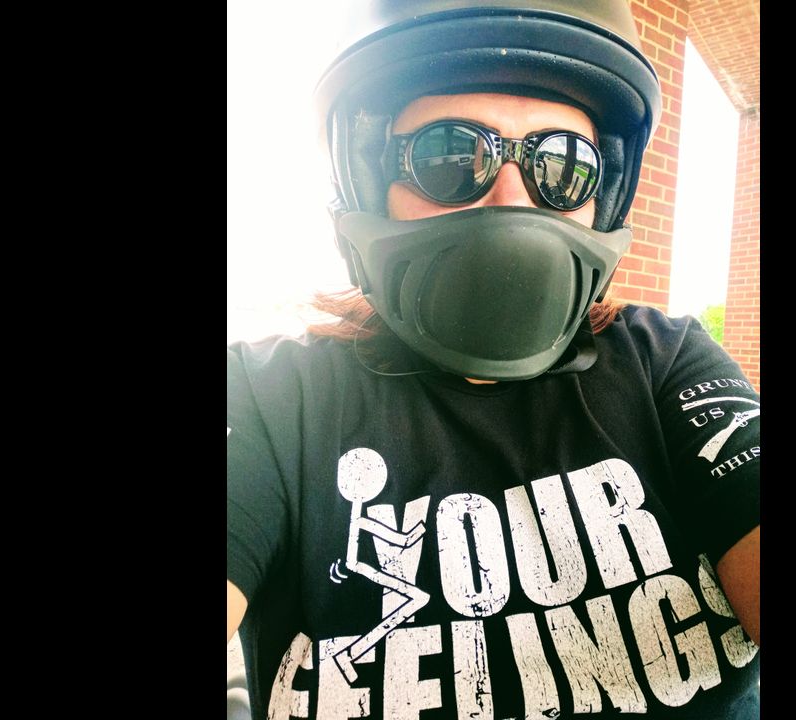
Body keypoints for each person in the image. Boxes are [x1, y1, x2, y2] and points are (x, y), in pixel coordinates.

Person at [228, 2, 760, 718]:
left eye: (563, 167)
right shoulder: (268, 401)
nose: (515, 203)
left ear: (601, 200)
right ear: (368, 182)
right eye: (451, 157)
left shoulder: (666, 362)